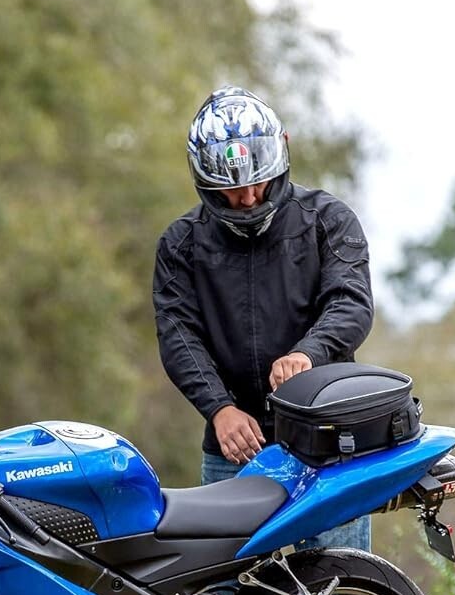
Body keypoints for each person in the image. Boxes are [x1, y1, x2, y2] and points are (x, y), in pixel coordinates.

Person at [153, 85, 374, 552]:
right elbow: (178, 334)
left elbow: (351, 303)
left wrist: (306, 354)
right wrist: (219, 409)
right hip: (236, 446)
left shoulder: (329, 220)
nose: (248, 197)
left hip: (329, 441)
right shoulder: (181, 244)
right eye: (231, 190)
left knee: (344, 592)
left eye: (258, 182)